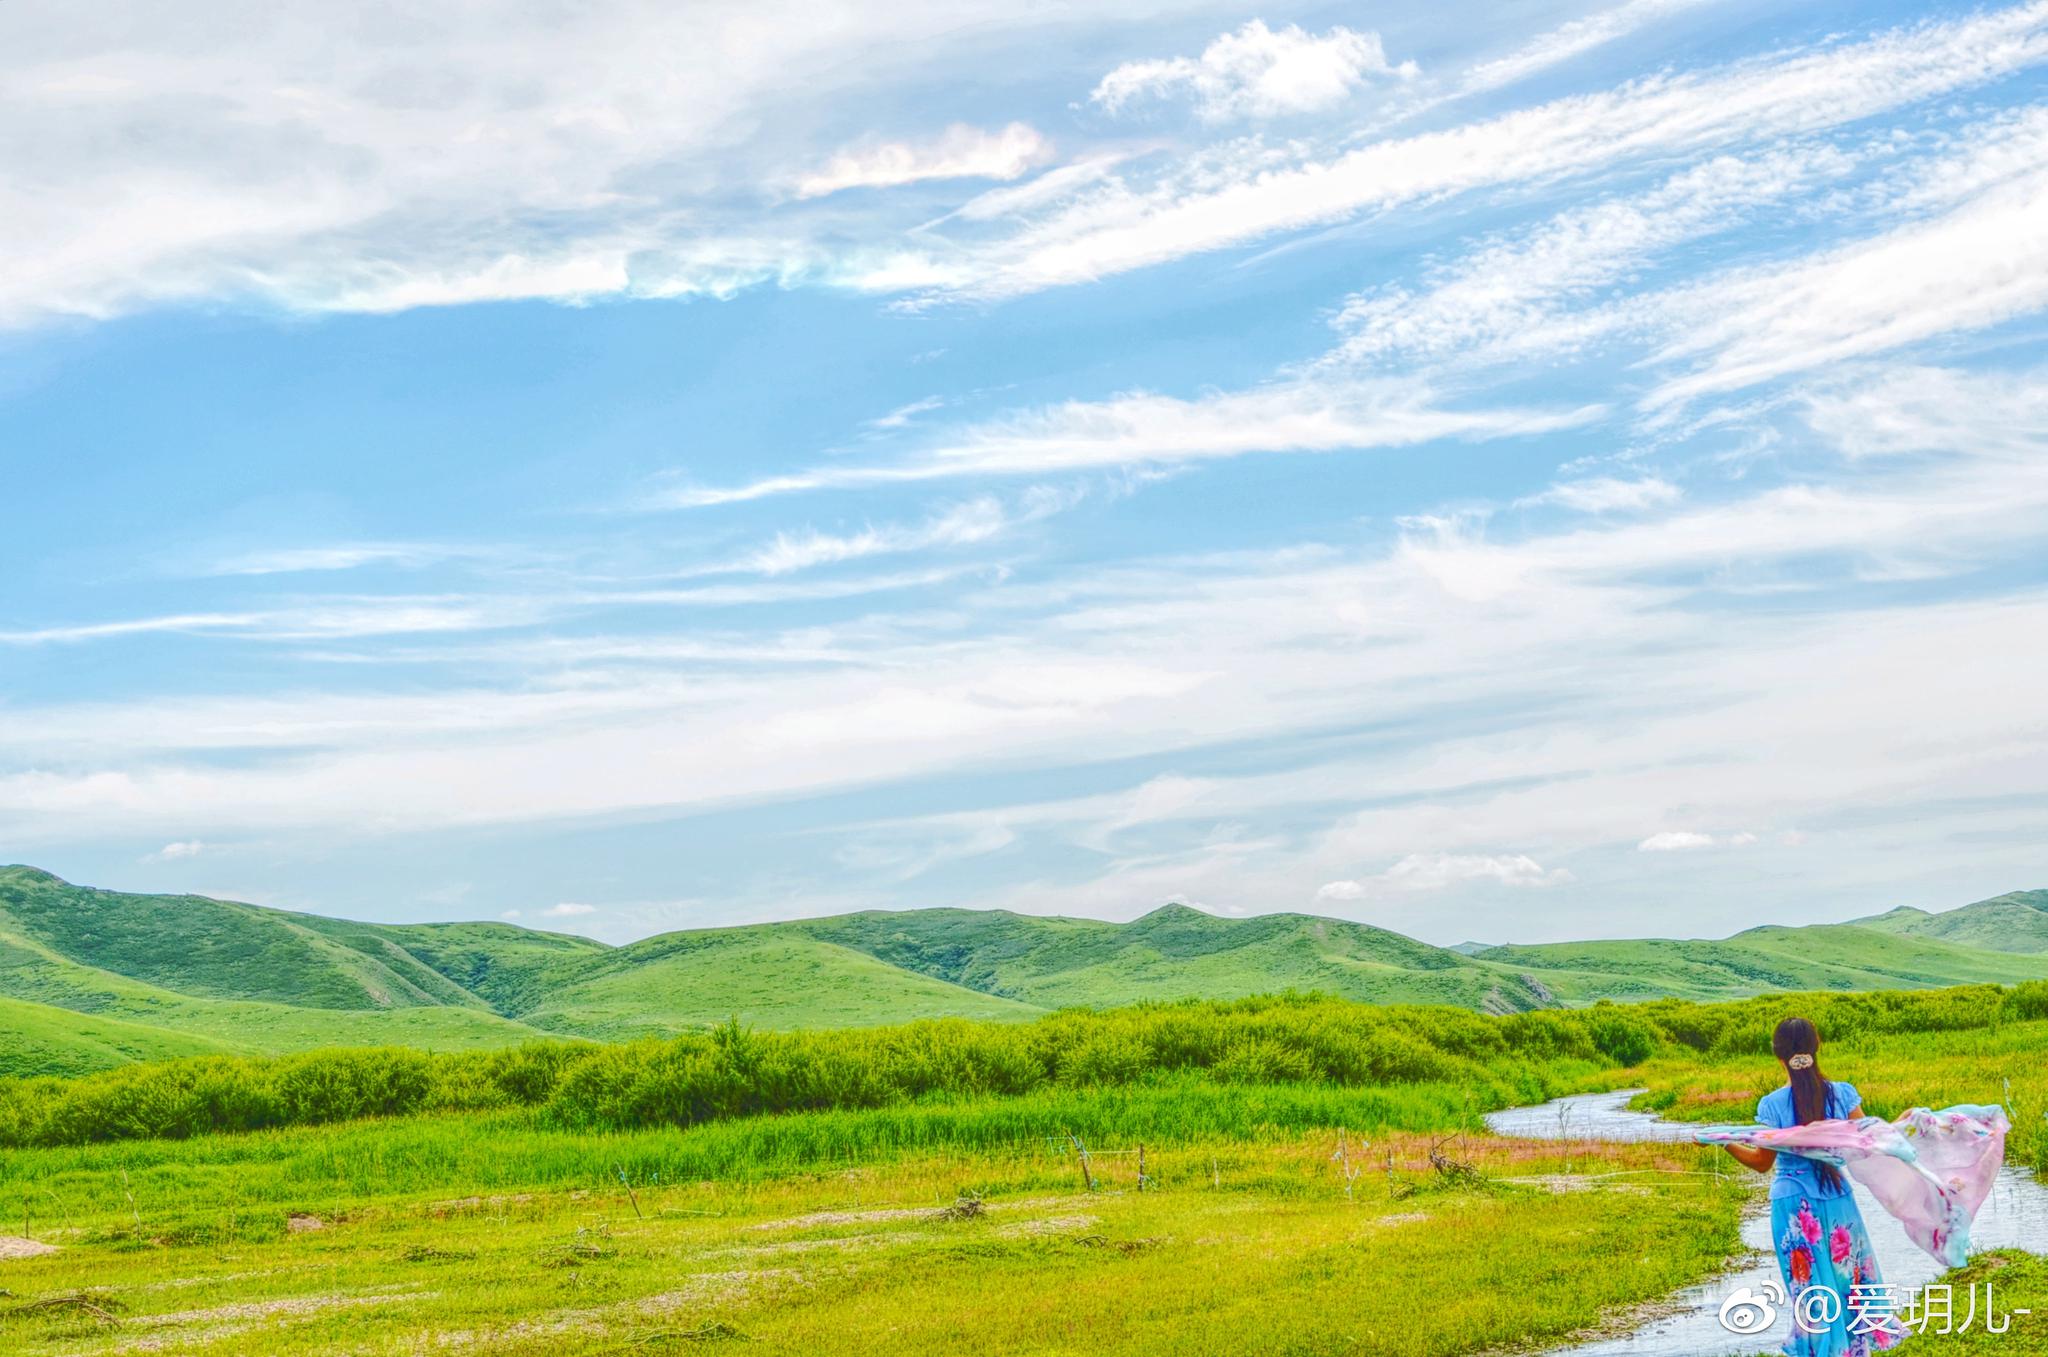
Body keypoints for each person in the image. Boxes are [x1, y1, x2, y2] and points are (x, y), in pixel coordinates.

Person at [1720, 1016, 1900, 1356]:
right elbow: (1868, 1143)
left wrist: (1725, 1142)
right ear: (1816, 1048)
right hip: (1838, 1199)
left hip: (1793, 1204)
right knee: (1850, 1280)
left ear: (1777, 1055)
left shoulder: (1772, 1105)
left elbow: (1761, 1163)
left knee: (1811, 1289)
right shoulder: (1842, 1095)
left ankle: (1820, 1350)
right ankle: (1855, 1348)